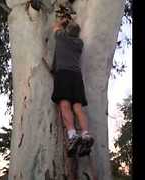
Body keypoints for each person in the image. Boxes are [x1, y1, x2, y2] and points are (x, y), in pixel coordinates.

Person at [51, 17, 94, 157]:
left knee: (64, 105)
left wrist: (63, 20)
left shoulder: (61, 37)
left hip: (63, 74)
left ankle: (72, 135)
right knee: (77, 107)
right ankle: (86, 134)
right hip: (76, 76)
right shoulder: (80, 43)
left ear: (66, 31)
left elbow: (56, 26)